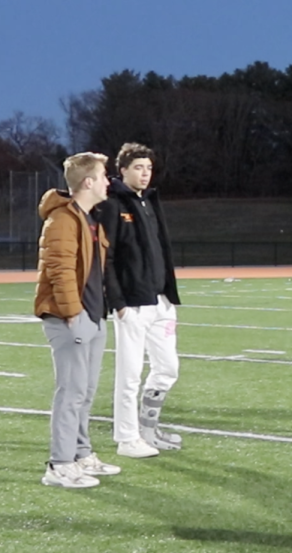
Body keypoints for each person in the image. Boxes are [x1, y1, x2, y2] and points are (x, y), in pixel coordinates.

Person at [35, 152, 121, 488]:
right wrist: (72, 312)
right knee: (70, 393)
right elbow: (59, 270)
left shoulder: (89, 218)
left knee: (85, 392)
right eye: (102, 176)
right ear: (87, 182)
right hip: (70, 317)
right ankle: (59, 464)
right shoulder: (62, 220)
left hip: (93, 315)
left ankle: (81, 454)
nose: (107, 182)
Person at [100, 143, 183, 459]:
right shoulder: (112, 204)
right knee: (129, 374)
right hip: (133, 304)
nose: (145, 174)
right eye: (138, 168)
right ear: (122, 170)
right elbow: (105, 257)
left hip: (160, 301)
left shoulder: (149, 202)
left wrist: (168, 294)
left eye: (148, 168)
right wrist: (118, 301)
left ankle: (148, 429)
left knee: (167, 368)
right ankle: (126, 438)